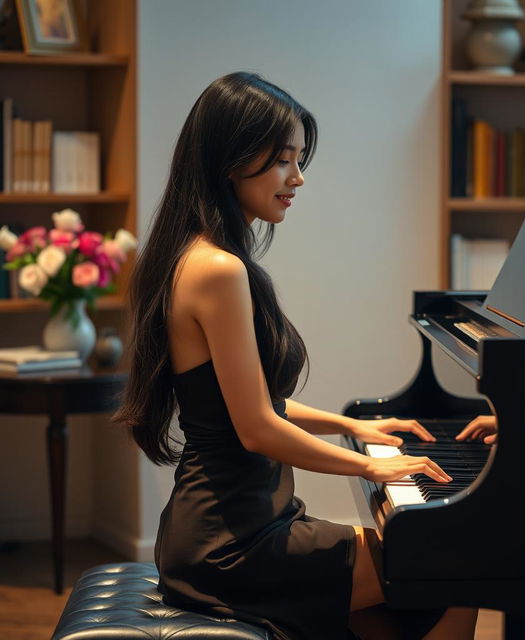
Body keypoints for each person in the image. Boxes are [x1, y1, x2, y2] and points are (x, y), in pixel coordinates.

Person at [114, 72, 478, 640]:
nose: (298, 178)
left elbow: (257, 403)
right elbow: (258, 429)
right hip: (231, 545)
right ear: (234, 160)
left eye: (298, 160)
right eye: (284, 160)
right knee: (451, 569)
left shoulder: (200, 256)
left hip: (239, 524)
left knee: (403, 616)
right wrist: (368, 463)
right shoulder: (217, 269)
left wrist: (353, 426)